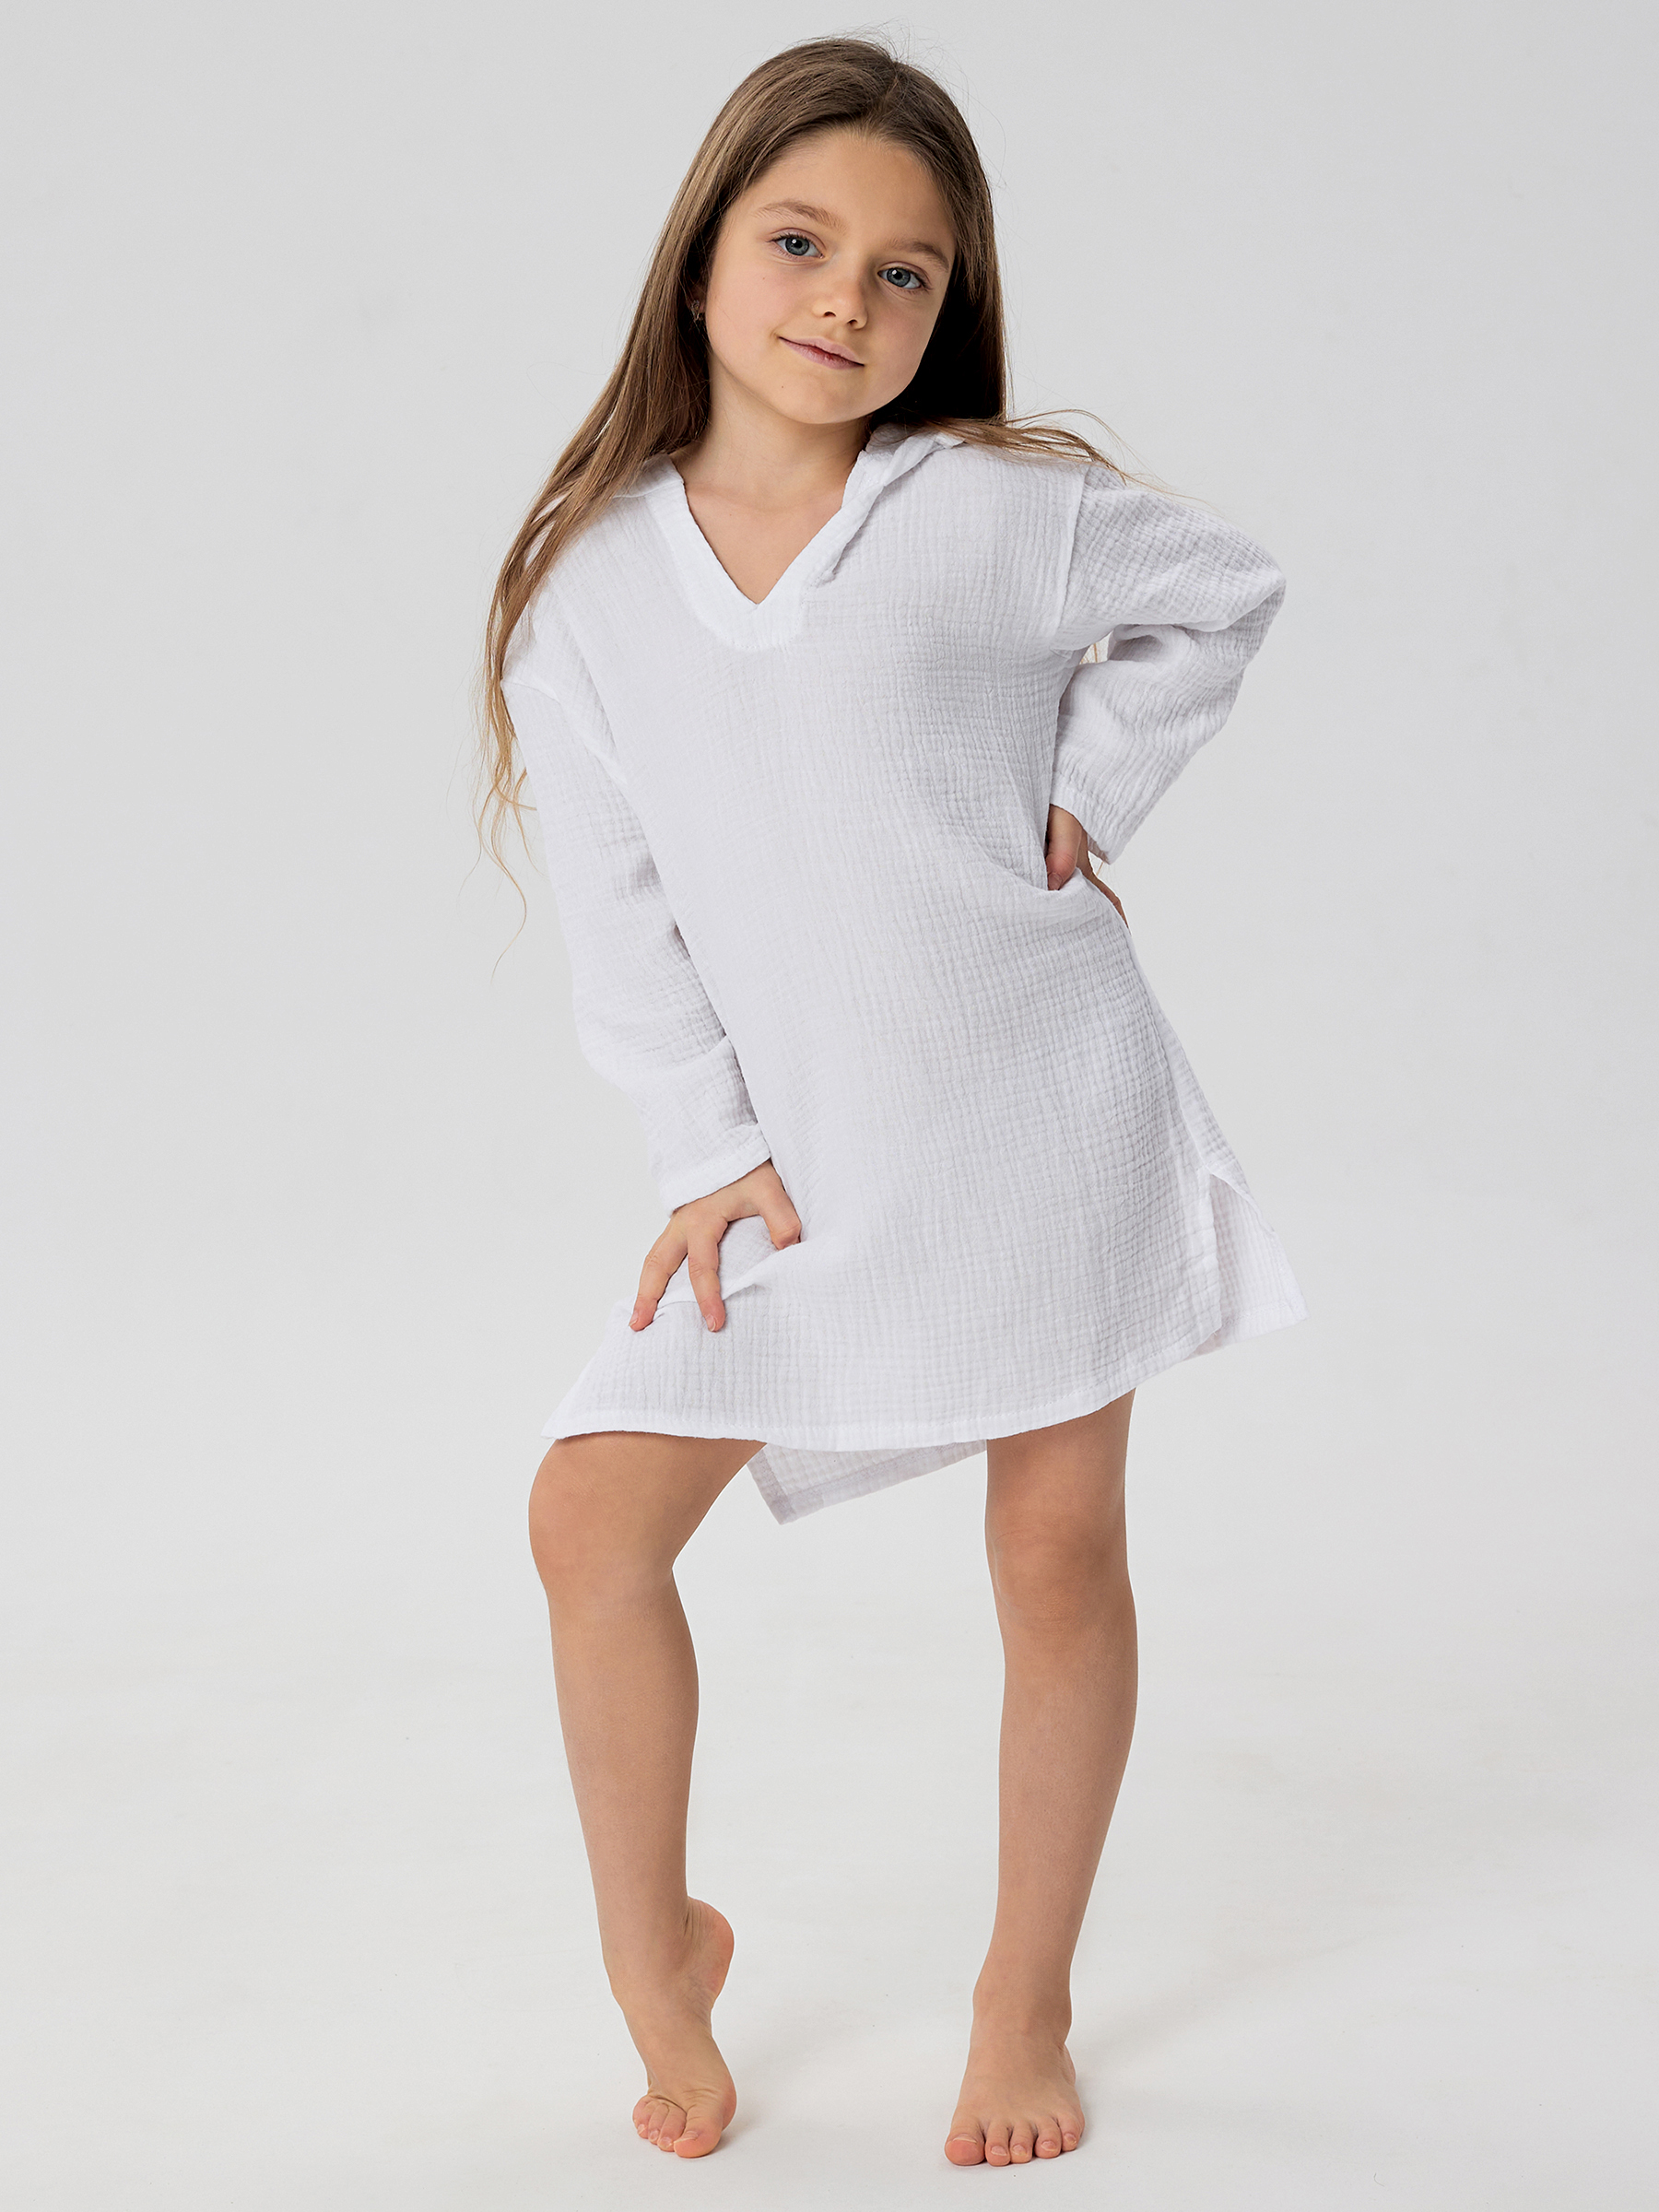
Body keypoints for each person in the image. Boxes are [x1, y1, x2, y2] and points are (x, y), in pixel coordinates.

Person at [479, 35, 1303, 2169]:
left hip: (1041, 1109)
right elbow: (621, 916)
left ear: (950, 307)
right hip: (802, 1172)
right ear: (701, 256)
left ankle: (1025, 1997)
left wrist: (1087, 787)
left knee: (1057, 1550)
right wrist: (707, 1154)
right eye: (799, 241)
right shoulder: (591, 592)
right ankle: (658, 1957)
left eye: (905, 272)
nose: (846, 298)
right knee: (588, 1517)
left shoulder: (991, 519)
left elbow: (1223, 591)